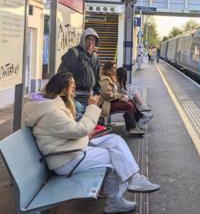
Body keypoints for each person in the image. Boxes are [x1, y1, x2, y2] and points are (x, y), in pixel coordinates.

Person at [23, 72, 160, 213]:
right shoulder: (52, 112)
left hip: (70, 150)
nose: (74, 90)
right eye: (72, 87)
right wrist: (92, 107)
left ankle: (134, 179)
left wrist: (87, 134)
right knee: (114, 157)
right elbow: (79, 130)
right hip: (65, 159)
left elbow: (70, 132)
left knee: (115, 140)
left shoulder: (49, 106)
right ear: (63, 90)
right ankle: (117, 199)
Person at [99, 61, 152, 133]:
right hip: (106, 105)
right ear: (108, 69)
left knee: (129, 101)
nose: (115, 70)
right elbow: (107, 95)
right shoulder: (105, 79)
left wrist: (122, 96)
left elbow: (112, 93)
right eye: (113, 68)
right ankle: (133, 126)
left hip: (110, 102)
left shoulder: (110, 78)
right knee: (128, 105)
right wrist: (121, 96)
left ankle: (137, 121)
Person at [58, 28, 101, 111]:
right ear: (83, 40)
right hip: (74, 96)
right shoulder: (73, 52)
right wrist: (85, 56)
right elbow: (70, 73)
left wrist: (97, 94)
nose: (91, 42)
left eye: (93, 40)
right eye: (88, 39)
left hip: (89, 98)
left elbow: (97, 79)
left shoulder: (95, 57)